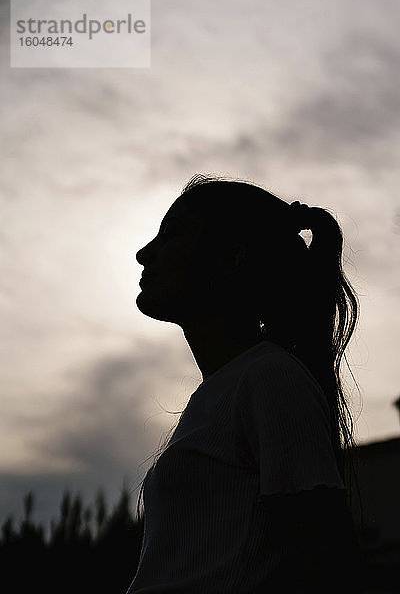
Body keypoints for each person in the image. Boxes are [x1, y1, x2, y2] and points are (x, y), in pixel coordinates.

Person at [127, 174, 366, 593]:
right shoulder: (228, 387)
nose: (144, 253)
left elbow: (328, 561)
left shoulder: (269, 377)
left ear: (230, 259)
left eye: (172, 235)